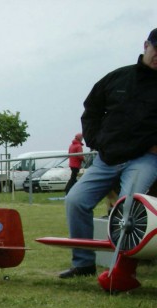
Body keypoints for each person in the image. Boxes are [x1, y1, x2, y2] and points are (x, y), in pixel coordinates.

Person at [59, 28, 157, 278]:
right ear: (146, 45)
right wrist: (96, 141)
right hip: (106, 159)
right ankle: (83, 264)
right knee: (75, 200)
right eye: (156, 49)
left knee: (128, 207)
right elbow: (91, 110)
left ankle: (122, 270)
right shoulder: (117, 78)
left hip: (144, 159)